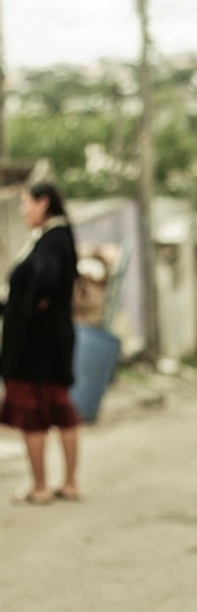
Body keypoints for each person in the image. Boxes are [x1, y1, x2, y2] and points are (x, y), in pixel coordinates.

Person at [0, 181, 82, 504]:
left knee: (32, 415)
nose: (22, 211)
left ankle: (40, 487)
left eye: (26, 204)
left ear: (43, 203)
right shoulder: (62, 237)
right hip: (55, 344)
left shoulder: (50, 239)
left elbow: (44, 282)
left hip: (34, 349)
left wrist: (29, 310)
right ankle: (70, 483)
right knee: (61, 409)